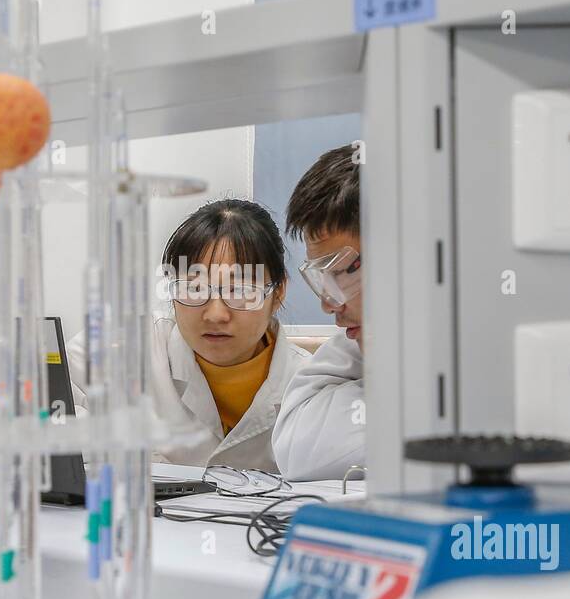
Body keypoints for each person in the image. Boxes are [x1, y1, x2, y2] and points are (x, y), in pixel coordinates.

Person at [69, 198, 309, 470]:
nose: (215, 314)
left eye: (239, 290)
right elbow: (49, 412)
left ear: (277, 293)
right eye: (194, 289)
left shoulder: (307, 384)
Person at [272, 144, 365, 481]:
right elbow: (296, 447)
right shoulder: (358, 341)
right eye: (322, 280)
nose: (329, 304)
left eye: (340, 272)